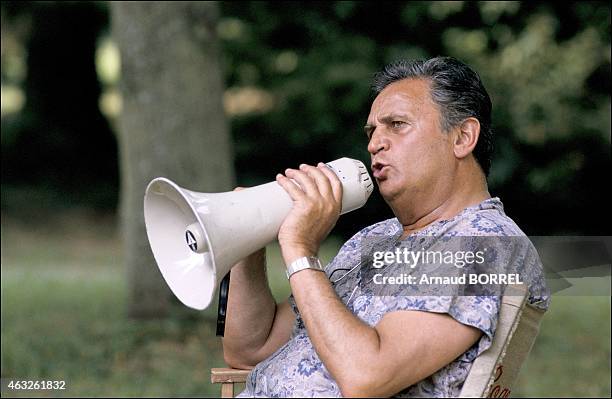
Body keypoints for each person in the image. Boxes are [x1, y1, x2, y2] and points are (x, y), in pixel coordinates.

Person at [222, 56, 549, 397]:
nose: (374, 143)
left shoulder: (484, 242)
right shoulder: (375, 238)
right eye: (372, 130)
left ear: (463, 137)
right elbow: (251, 349)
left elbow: (366, 376)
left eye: (397, 124)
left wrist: (300, 251)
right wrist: (249, 234)